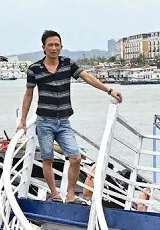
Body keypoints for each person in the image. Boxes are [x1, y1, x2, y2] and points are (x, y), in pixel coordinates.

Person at [17, 30, 123, 203]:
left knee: (75, 158)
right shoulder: (34, 69)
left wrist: (109, 90)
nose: (53, 48)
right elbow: (28, 95)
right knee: (47, 159)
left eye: (57, 45)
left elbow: (87, 77)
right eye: (50, 45)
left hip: (64, 121)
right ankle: (55, 194)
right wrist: (22, 120)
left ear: (61, 47)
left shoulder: (68, 64)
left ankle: (71, 194)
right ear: (43, 47)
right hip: (44, 121)